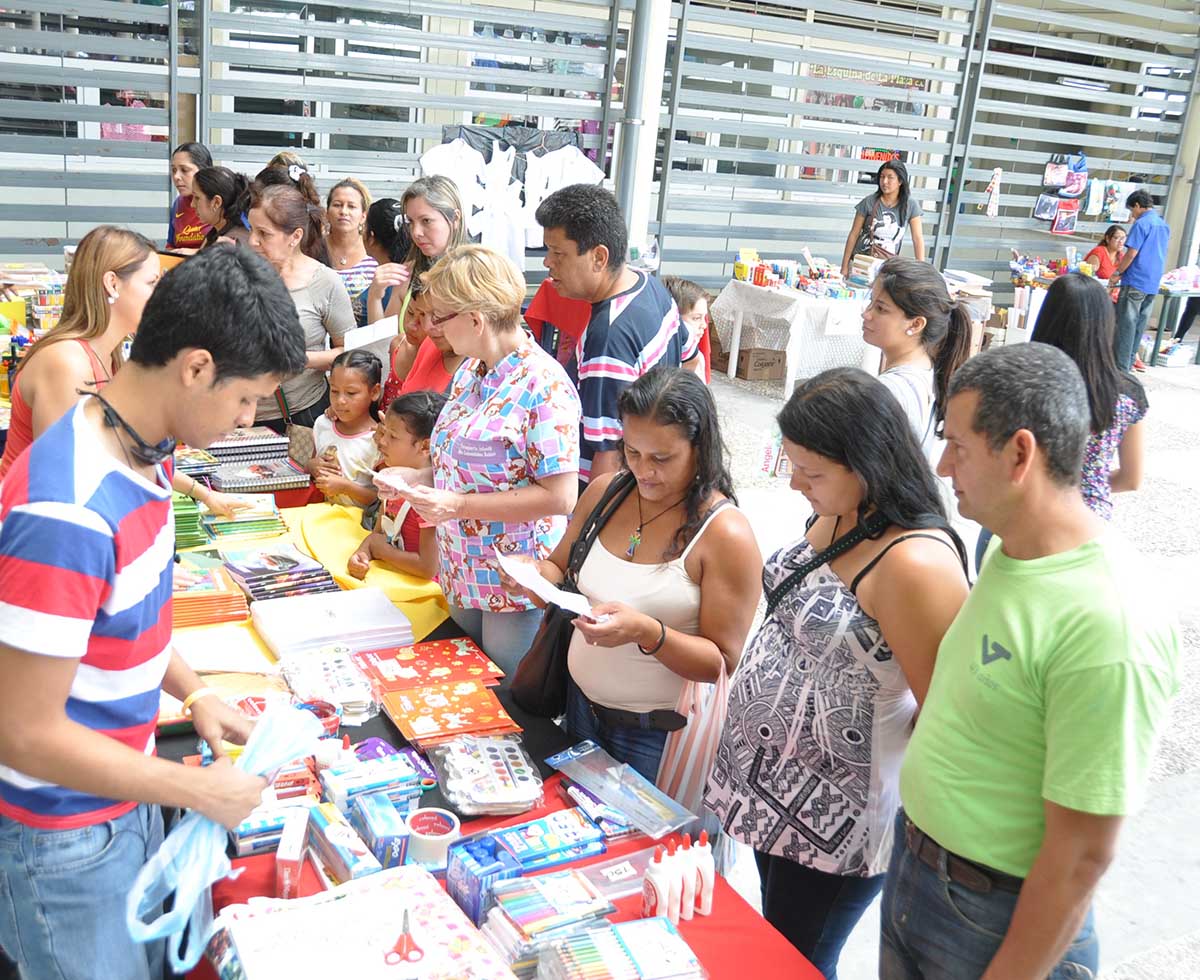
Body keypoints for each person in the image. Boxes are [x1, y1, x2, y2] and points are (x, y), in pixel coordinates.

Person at [0, 245, 309, 980]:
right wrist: (194, 787)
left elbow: (126, 617)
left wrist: (194, 692)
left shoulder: (145, 447)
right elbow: (20, 731)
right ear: (195, 366)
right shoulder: (66, 509)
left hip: (119, 792)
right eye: (243, 400)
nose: (242, 422)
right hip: (62, 836)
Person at [881, 343, 1181, 980]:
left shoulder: (1109, 622)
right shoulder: (1011, 552)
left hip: (995, 922)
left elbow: (1081, 857)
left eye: (958, 446)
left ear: (1019, 454)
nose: (941, 464)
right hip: (919, 876)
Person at [705, 367, 970, 980]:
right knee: (773, 941)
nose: (795, 483)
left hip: (836, 818)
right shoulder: (839, 514)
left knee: (796, 961)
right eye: (792, 464)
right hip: (771, 787)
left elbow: (944, 712)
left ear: (868, 464)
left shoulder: (916, 565)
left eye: (812, 472)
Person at [509, 368, 762, 782]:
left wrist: (648, 632)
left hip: (654, 737)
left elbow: (720, 662)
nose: (644, 471)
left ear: (699, 449)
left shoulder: (724, 534)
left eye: (662, 459)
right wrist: (532, 577)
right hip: (578, 708)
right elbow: (558, 569)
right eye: (632, 452)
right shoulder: (606, 491)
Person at [376, 245, 580, 677]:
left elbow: (560, 497)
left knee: (504, 697)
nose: (432, 327)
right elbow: (458, 463)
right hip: (460, 565)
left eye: (441, 316)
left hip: (512, 576)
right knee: (463, 682)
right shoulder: (472, 371)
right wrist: (413, 476)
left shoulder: (543, 387)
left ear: (475, 319)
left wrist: (460, 507)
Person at [0, 228, 249, 518]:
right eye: (152, 283)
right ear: (112, 284)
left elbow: (130, 449)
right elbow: (66, 477)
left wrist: (203, 493)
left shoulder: (111, 355)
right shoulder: (67, 362)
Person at [535, 184, 701, 486]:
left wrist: (591, 525)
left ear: (599, 257)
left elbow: (608, 454)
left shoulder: (608, 337)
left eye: (558, 253)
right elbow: (691, 359)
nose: (548, 262)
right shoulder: (649, 286)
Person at [1032, 273, 1147, 521]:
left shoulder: (1025, 382)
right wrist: (1088, 486)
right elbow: (1131, 479)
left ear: (1047, 319)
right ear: (1106, 323)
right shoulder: (1127, 394)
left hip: (1022, 515)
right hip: (1087, 523)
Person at [248, 184, 354, 430]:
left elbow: (349, 352)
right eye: (251, 230)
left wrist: (300, 359)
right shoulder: (240, 274)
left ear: (295, 236)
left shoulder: (325, 282)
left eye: (264, 234)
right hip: (242, 415)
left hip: (302, 413)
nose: (253, 242)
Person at [862, 257, 974, 458]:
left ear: (915, 325)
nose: (866, 314)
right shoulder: (926, 371)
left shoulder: (892, 389)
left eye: (881, 308)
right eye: (870, 302)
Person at [349, 390, 446, 581]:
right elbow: (378, 535)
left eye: (393, 436)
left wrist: (381, 550)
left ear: (425, 446)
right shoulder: (391, 482)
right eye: (383, 432)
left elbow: (428, 568)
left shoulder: (427, 498)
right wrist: (361, 555)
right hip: (391, 578)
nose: (382, 442)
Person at [311, 349, 382, 509]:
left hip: (358, 527)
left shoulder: (378, 440)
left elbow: (382, 500)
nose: (340, 401)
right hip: (322, 518)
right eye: (334, 391)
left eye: (351, 393)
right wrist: (312, 466)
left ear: (374, 392)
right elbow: (312, 462)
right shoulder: (323, 424)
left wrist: (345, 487)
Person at [1110, 189, 1170, 371]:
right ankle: (1128, 363)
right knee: (1139, 325)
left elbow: (1131, 253)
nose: (1132, 215)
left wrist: (1118, 272)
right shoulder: (1163, 225)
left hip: (1136, 279)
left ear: (1137, 205)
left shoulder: (1142, 224)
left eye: (1131, 210)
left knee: (1126, 324)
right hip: (1152, 282)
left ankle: (1120, 367)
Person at [397, 175, 467, 317]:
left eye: (426, 221)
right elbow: (386, 337)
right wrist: (375, 296)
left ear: (455, 219)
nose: (416, 232)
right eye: (410, 222)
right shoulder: (408, 272)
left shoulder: (476, 276)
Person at [840, 160, 925, 276]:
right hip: (862, 264)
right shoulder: (869, 202)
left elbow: (917, 238)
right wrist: (844, 267)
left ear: (900, 181)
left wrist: (923, 272)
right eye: (882, 177)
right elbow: (854, 234)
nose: (885, 182)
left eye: (890, 178)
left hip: (887, 267)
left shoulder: (910, 205)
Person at [325, 178, 378, 325]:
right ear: (327, 213)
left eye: (352, 206)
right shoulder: (314, 248)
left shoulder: (373, 251)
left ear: (363, 216)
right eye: (337, 205)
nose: (344, 211)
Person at [362, 197, 413, 325]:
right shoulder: (411, 273)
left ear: (371, 237)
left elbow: (383, 341)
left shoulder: (387, 286)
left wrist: (374, 298)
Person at [662, 276, 712, 382]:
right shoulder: (658, 359)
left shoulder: (698, 359)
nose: (704, 325)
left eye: (704, 318)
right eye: (696, 318)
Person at [166, 141, 213, 251]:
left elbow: (232, 249)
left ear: (204, 171)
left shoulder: (222, 202)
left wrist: (193, 254)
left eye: (184, 170)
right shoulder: (178, 203)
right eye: (173, 170)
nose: (176, 176)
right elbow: (170, 246)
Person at [193, 166, 251, 248]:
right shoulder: (217, 232)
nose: (192, 204)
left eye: (197, 198)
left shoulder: (230, 243)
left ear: (216, 202)